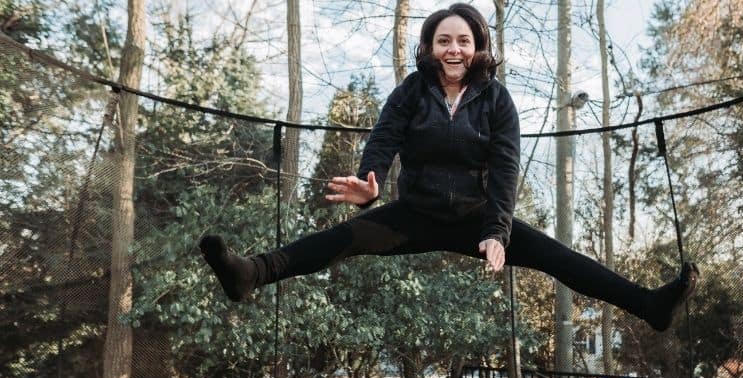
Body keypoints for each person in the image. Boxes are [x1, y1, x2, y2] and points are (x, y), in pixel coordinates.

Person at [199, 3, 698, 332]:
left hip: (477, 217)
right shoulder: (411, 92)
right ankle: (250, 274)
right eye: (443, 41)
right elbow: (384, 139)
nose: (453, 49)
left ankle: (649, 306)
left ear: (478, 47)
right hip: (415, 213)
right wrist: (371, 182)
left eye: (462, 40)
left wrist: (497, 232)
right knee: (340, 239)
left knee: (558, 257)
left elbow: (505, 168)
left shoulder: (497, 100)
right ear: (429, 48)